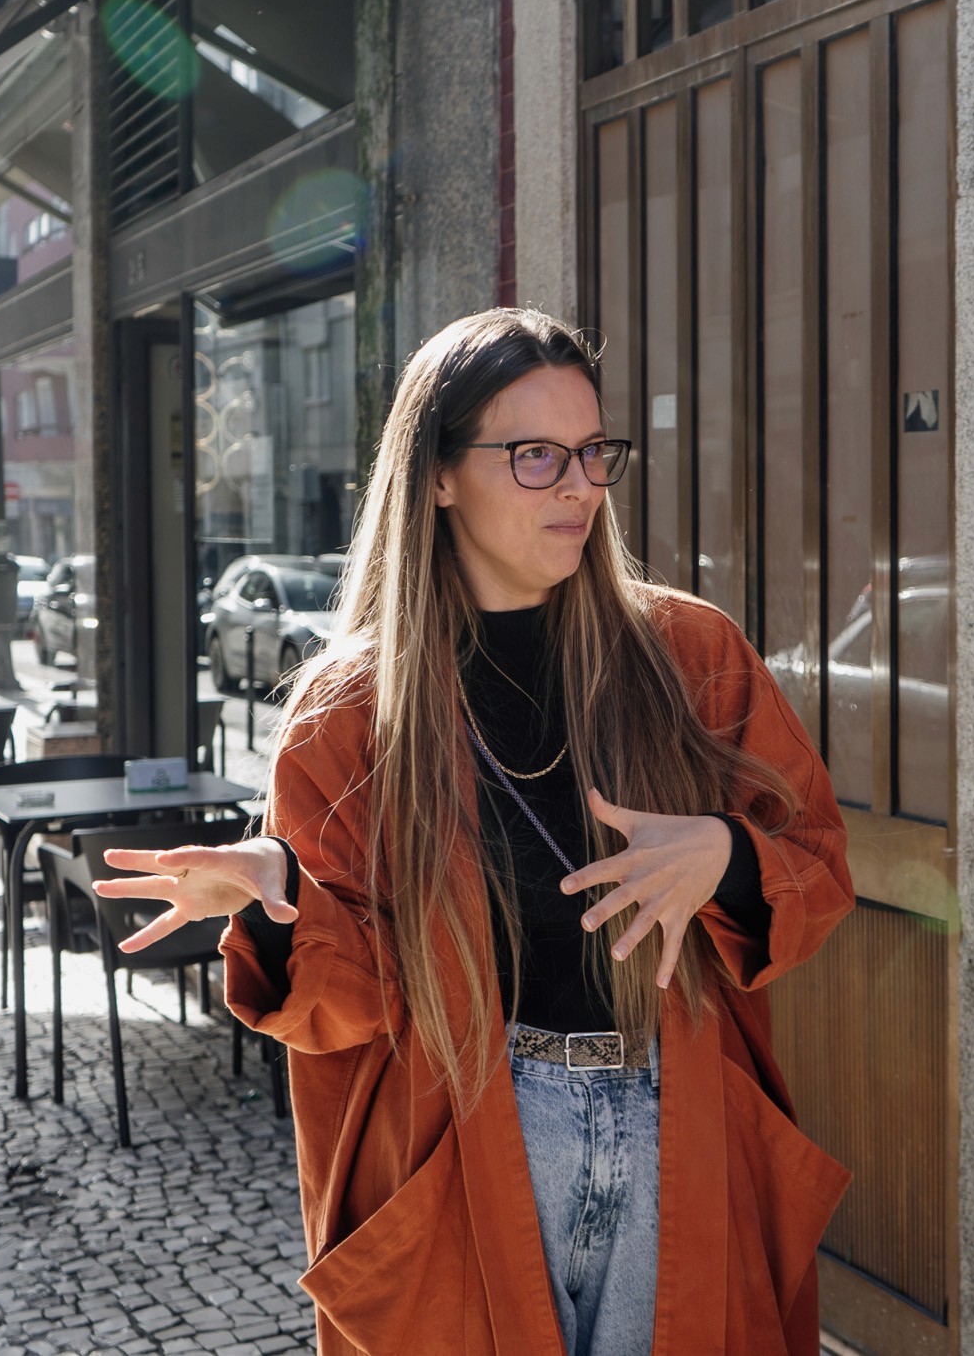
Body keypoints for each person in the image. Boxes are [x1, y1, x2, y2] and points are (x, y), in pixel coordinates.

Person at [95, 308, 854, 1356]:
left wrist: (725, 857)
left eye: (593, 453)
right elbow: (342, 1000)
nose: (581, 486)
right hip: (475, 1148)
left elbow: (814, 864)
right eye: (535, 456)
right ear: (439, 474)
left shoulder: (688, 653)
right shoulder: (350, 714)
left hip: (674, 1123)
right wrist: (277, 895)